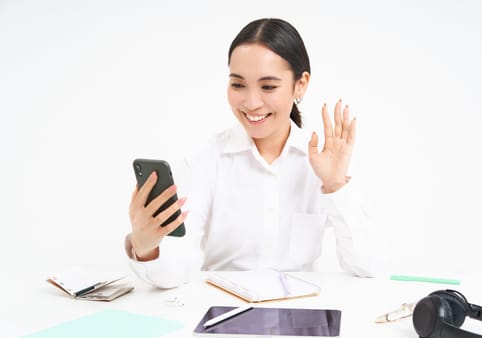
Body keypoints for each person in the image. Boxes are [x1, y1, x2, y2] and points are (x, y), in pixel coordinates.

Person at [124, 18, 376, 288]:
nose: (252, 102)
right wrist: (145, 245)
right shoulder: (206, 161)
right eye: (238, 85)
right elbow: (175, 272)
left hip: (299, 314)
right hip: (222, 310)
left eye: (268, 86)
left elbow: (368, 266)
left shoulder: (322, 163)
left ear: (300, 84)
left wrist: (336, 186)